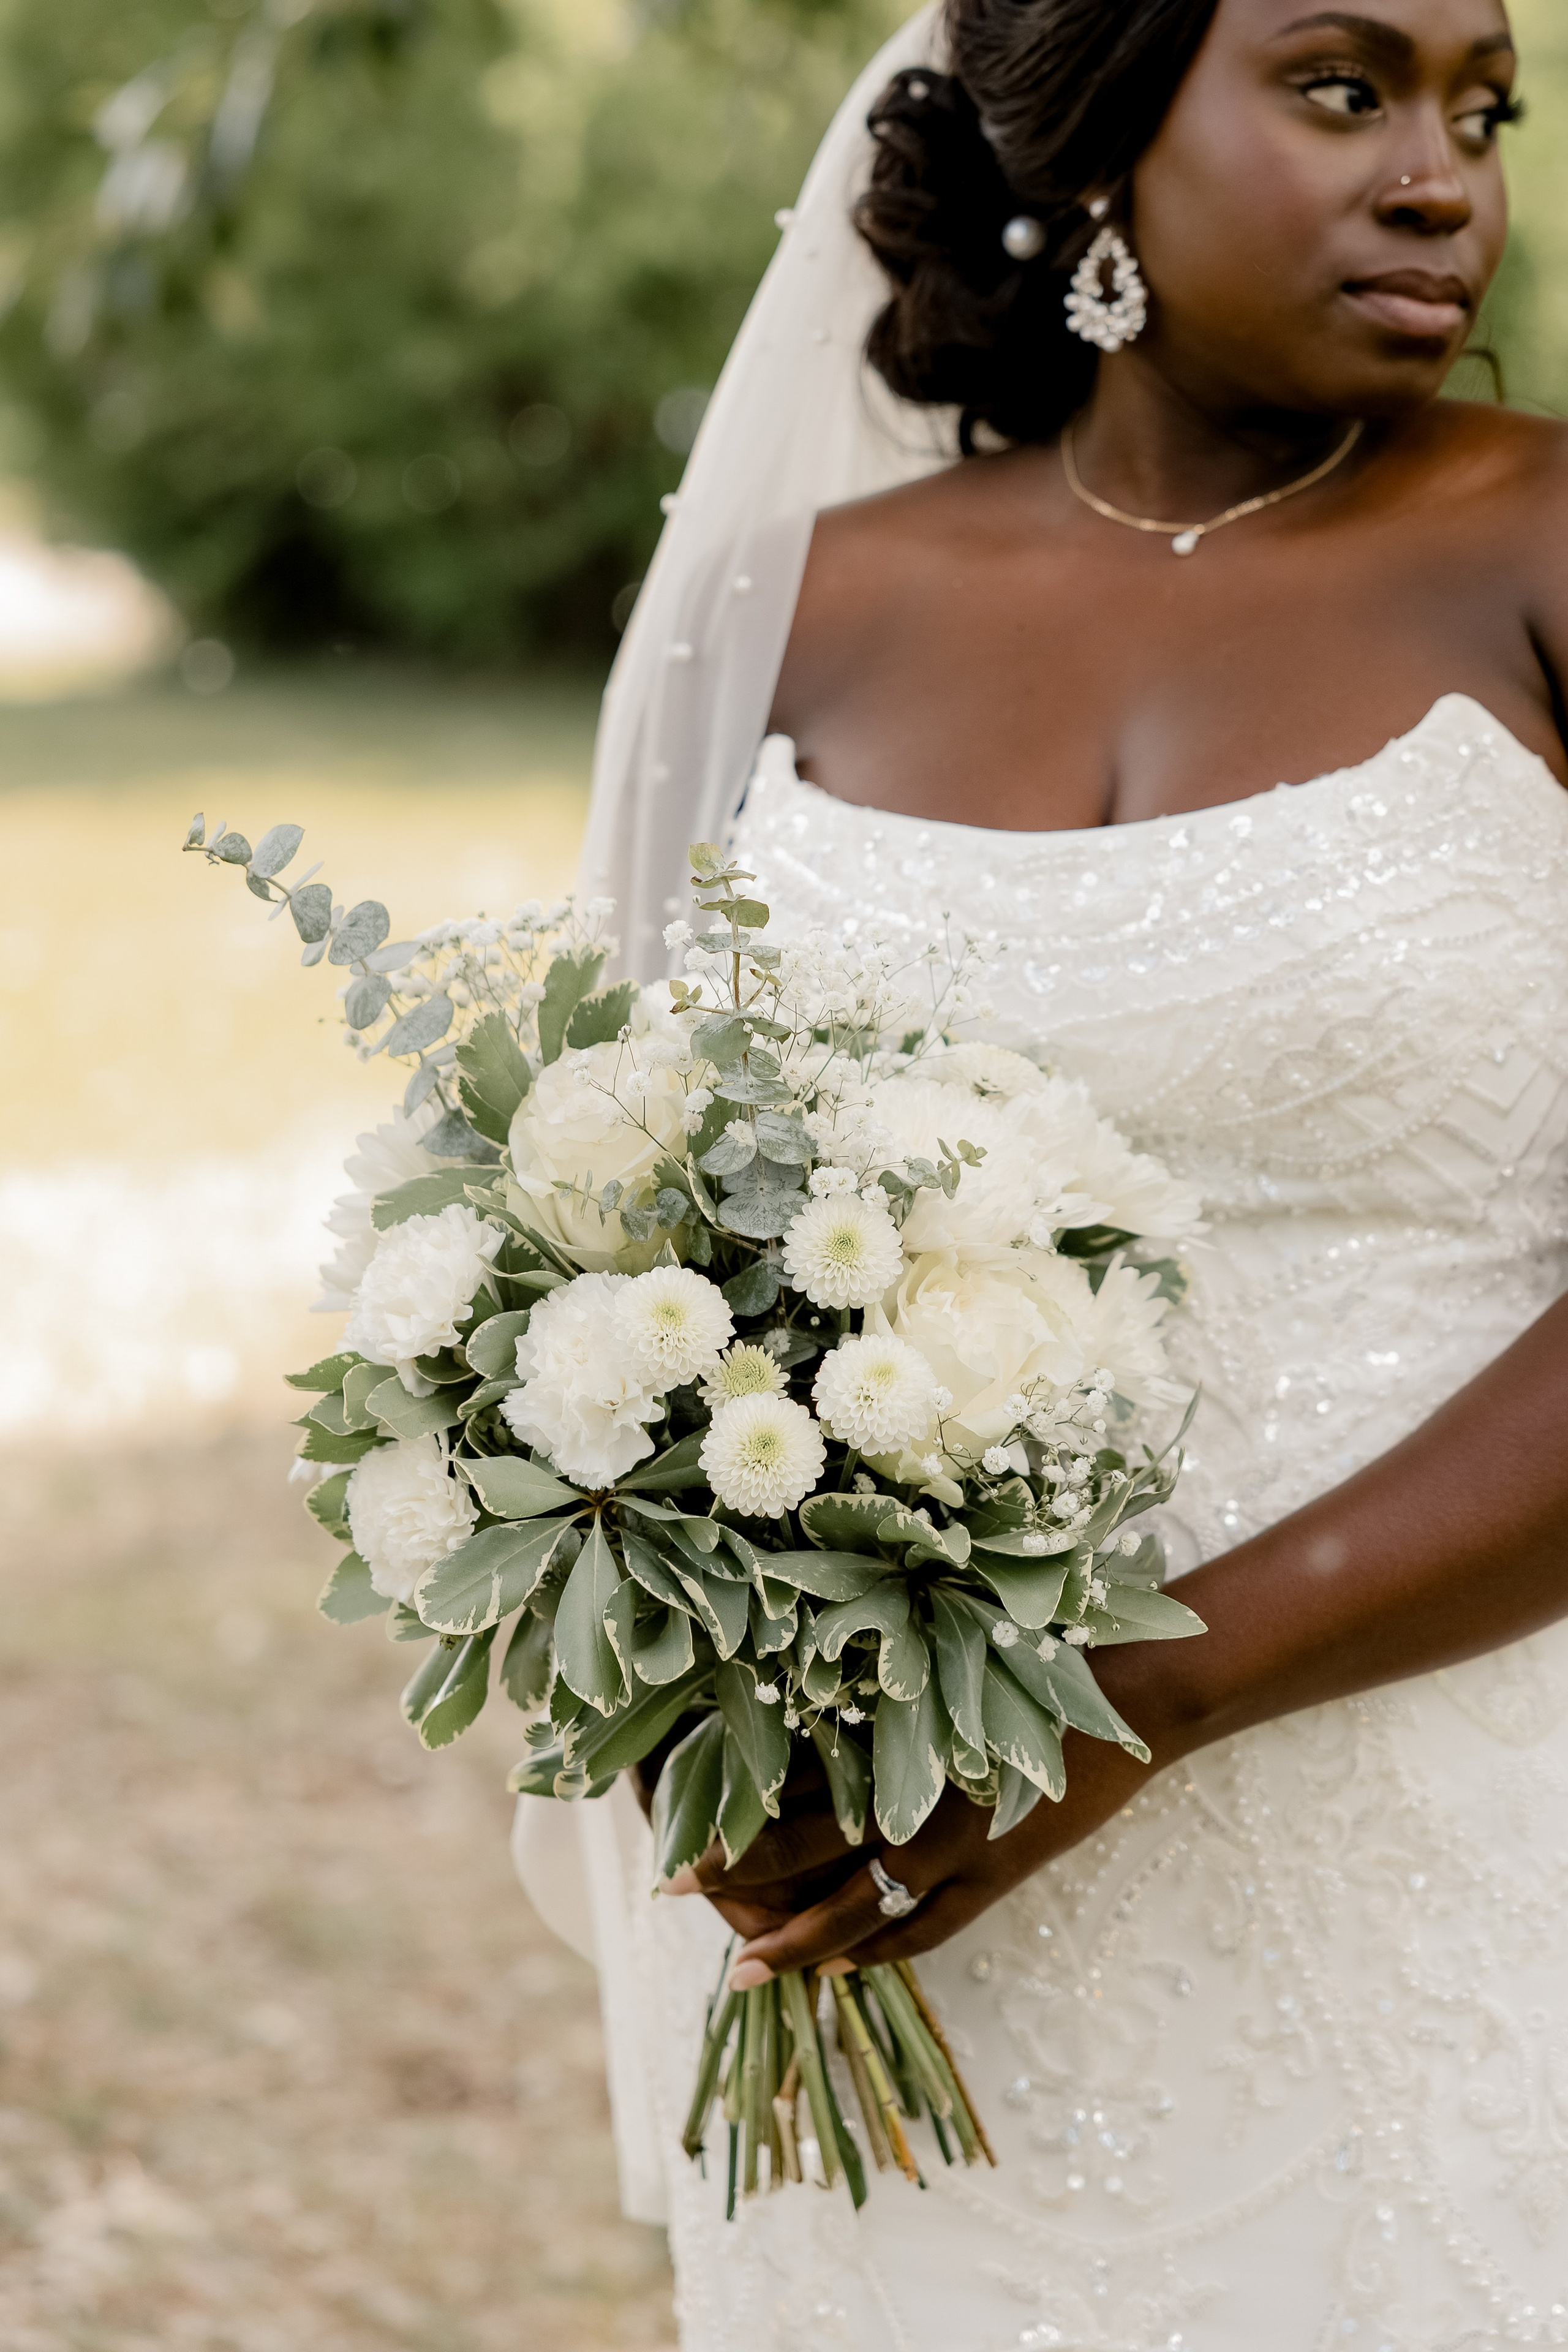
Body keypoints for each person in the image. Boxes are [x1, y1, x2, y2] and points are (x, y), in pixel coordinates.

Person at [554, 2, 1568, 2342]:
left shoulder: (1541, 541)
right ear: (1103, 139)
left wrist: (1133, 1699)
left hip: (1467, 1830)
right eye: (1345, 89)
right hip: (914, 1906)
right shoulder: (789, 600)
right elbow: (618, 1223)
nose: (1442, 177)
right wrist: (705, 1683)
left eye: (1479, 109)